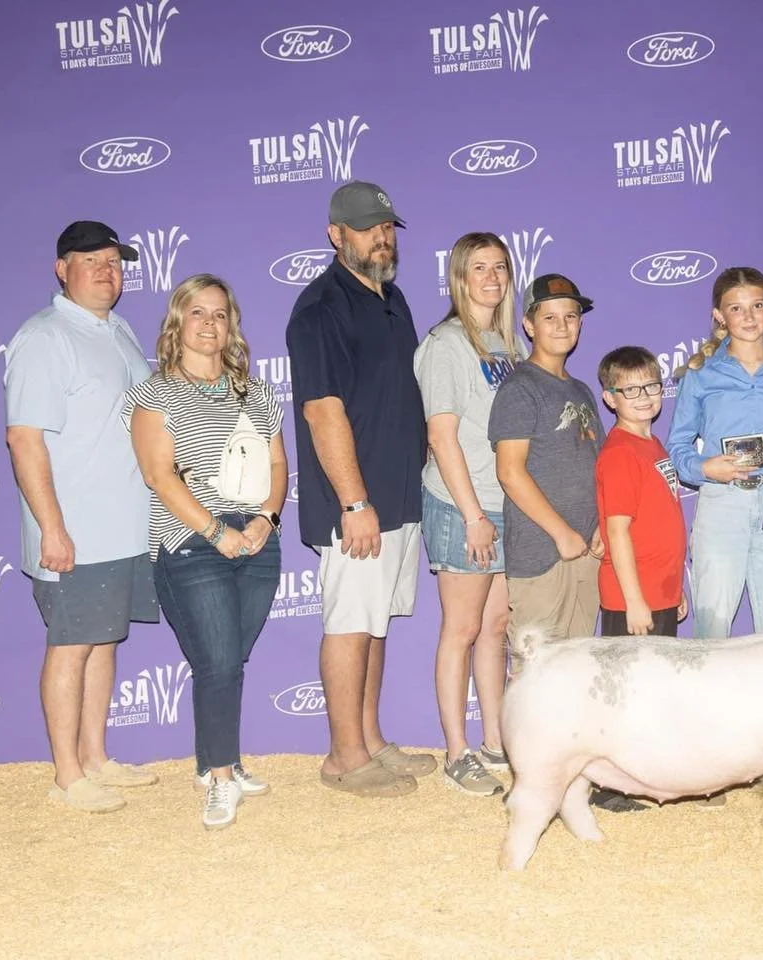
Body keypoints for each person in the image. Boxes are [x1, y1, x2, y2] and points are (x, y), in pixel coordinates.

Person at [4, 221, 161, 813]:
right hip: (74, 531)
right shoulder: (45, 338)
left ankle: (95, 757)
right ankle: (67, 776)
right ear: (61, 269)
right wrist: (52, 527)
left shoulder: (117, 330)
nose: (106, 270)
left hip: (123, 529)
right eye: (90, 259)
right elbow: (23, 439)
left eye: (114, 261)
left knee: (102, 641)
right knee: (71, 646)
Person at [285, 181, 435, 798]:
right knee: (350, 622)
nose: (382, 236)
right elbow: (323, 413)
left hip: (398, 497)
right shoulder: (321, 308)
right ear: (335, 234)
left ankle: (369, 739)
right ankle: (343, 757)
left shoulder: (393, 298)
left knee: (375, 623)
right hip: (357, 505)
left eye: (388, 226)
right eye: (369, 227)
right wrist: (354, 502)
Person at [124, 275, 286, 830]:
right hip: (189, 540)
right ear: (178, 322)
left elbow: (279, 466)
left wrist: (266, 519)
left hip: (258, 539)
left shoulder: (256, 392)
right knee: (218, 660)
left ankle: (218, 761)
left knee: (228, 660)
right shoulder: (154, 393)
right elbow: (159, 475)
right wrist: (217, 532)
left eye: (220, 314)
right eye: (198, 313)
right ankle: (220, 779)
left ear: (231, 325)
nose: (210, 324)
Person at [490, 274, 634, 811]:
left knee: (574, 669)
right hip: (541, 551)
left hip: (583, 549)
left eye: (571, 316)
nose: (562, 326)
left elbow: (593, 469)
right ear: (528, 324)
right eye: (549, 317)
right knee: (533, 668)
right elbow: (511, 471)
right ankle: (526, 780)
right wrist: (562, 533)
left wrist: (596, 525)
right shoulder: (519, 388)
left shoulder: (577, 391)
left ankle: (569, 774)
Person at [414, 233, 521, 799]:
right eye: (478, 267)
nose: (491, 278)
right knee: (461, 628)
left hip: (505, 503)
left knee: (497, 627)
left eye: (499, 267)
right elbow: (441, 435)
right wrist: (473, 514)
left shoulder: (508, 345)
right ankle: (457, 752)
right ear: (459, 276)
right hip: (464, 506)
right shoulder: (446, 343)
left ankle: (497, 741)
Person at [665, 267, 763, 640]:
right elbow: (677, 445)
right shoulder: (701, 372)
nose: (749, 317)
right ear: (719, 315)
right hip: (722, 504)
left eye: (757, 305)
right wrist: (705, 468)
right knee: (711, 632)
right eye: (736, 308)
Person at [595, 345, 688, 638]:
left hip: (659, 592)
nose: (644, 396)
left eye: (650, 386)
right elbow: (617, 532)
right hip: (633, 599)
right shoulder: (621, 453)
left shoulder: (653, 445)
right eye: (631, 390)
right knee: (635, 684)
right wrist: (634, 601)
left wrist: (673, 591)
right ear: (610, 399)